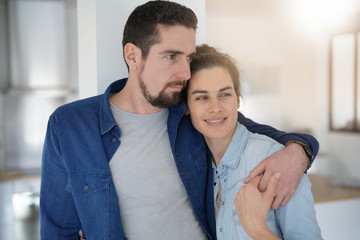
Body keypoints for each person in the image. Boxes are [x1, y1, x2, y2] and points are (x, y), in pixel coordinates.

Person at [40, 1, 319, 239]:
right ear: (133, 56)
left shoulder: (190, 111)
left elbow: (260, 135)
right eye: (171, 56)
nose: (186, 72)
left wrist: (299, 153)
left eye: (189, 58)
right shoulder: (69, 125)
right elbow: (58, 229)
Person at [183, 44, 322, 239]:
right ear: (186, 106)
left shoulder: (278, 162)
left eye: (224, 95)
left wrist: (256, 227)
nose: (215, 108)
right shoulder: (198, 167)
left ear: (238, 99)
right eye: (202, 97)